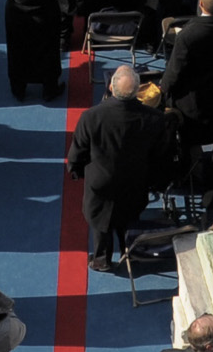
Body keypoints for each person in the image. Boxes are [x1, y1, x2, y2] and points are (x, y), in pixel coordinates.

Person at [69, 64, 171, 269]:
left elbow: (78, 152)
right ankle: (131, 253)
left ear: (110, 88)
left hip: (100, 183)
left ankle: (101, 260)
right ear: (137, 92)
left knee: (100, 224)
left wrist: (76, 170)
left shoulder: (91, 117)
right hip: (135, 182)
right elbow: (161, 155)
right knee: (128, 219)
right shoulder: (154, 119)